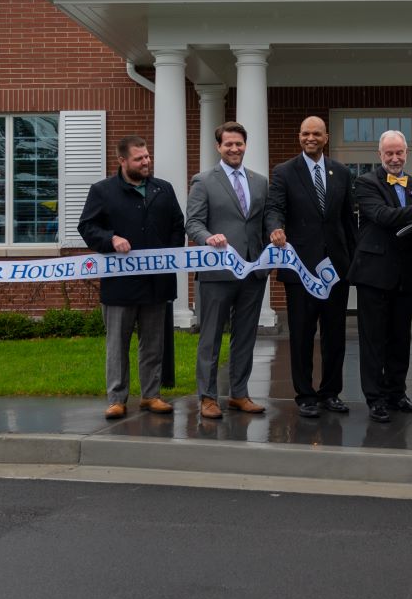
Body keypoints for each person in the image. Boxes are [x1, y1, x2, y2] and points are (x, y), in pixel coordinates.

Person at [77, 135, 185, 420]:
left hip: (157, 283)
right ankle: (117, 398)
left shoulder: (164, 189)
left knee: (153, 343)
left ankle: (151, 395)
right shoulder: (103, 191)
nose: (146, 162)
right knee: (117, 345)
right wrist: (110, 239)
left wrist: (169, 253)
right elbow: (87, 227)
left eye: (147, 157)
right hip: (119, 284)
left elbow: (177, 224)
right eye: (139, 159)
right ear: (122, 161)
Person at [265, 116, 356, 418]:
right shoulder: (284, 172)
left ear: (326, 137)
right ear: (299, 136)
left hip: (335, 269)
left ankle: (330, 392)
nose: (310, 138)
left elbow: (347, 220)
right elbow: (274, 207)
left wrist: (353, 263)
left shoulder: (342, 172)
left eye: (316, 133)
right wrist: (276, 228)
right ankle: (305, 395)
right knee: (301, 334)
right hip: (300, 270)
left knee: (335, 334)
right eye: (305, 133)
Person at [184, 121, 270, 421]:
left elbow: (263, 221)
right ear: (218, 147)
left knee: (245, 336)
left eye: (239, 144)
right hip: (217, 274)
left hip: (253, 272)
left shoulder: (260, 182)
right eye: (228, 144)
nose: (234, 149)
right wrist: (208, 238)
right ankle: (207, 398)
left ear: (245, 145)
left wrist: (276, 233)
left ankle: (239, 393)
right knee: (210, 337)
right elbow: (192, 222)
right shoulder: (203, 181)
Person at [352, 130, 412, 423]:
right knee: (374, 339)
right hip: (374, 275)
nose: (394, 158)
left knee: (400, 337)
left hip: (404, 274)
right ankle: (375, 398)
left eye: (399, 152)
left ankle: (396, 393)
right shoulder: (366, 183)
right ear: (379, 155)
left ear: (406, 153)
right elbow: (383, 216)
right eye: (388, 153)